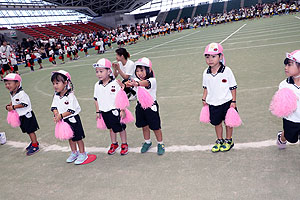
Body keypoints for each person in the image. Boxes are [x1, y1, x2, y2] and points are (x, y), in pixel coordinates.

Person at [125, 57, 165, 155]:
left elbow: (145, 83)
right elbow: (128, 83)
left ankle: (160, 144)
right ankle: (147, 142)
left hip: (151, 107)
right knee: (144, 126)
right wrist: (125, 85)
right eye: (137, 71)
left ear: (149, 70)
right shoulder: (136, 80)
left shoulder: (152, 80)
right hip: (140, 106)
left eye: (142, 70)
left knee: (155, 127)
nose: (139, 73)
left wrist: (136, 83)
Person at [201, 43, 237, 153]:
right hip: (213, 103)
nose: (210, 60)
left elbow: (233, 87)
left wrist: (233, 101)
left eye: (213, 56)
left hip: (226, 102)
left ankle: (229, 140)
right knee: (216, 123)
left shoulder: (227, 71)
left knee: (228, 122)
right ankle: (220, 140)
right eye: (207, 57)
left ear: (221, 57)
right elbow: (206, 87)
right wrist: (204, 98)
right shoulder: (206, 73)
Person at [50, 70, 88, 164]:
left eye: (57, 83)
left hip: (73, 119)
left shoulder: (71, 96)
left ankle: (83, 153)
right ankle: (74, 152)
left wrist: (60, 116)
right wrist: (56, 114)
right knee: (70, 137)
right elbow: (54, 107)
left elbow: (71, 110)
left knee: (78, 137)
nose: (55, 85)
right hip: (63, 120)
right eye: (53, 83)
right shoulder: (56, 96)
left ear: (66, 83)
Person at [93, 58, 129, 156]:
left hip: (115, 111)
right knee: (111, 128)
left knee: (120, 128)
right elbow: (96, 99)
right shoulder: (97, 85)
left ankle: (124, 144)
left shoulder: (115, 83)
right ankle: (114, 143)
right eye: (97, 72)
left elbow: (121, 97)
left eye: (101, 71)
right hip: (104, 111)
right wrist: (98, 111)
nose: (99, 74)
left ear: (109, 71)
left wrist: (122, 109)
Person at [4, 73, 40, 155]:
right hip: (21, 115)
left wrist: (13, 107)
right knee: (27, 131)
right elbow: (14, 101)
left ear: (17, 83)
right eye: (6, 84)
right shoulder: (13, 93)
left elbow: (24, 104)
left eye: (9, 83)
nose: (7, 85)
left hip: (27, 116)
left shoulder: (21, 94)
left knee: (30, 131)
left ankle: (35, 145)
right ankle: (33, 142)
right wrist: (10, 104)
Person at [276, 50, 300, 149]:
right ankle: (281, 137)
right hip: (291, 119)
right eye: (286, 65)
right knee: (291, 138)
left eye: (290, 65)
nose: (286, 68)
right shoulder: (284, 85)